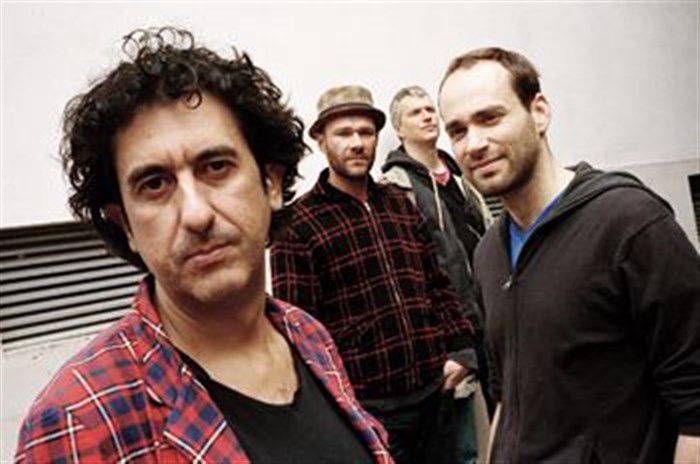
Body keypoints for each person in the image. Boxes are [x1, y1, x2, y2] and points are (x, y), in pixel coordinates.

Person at [14, 27, 392, 464]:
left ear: (270, 183)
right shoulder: (77, 421)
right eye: (155, 184)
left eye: (215, 167)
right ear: (126, 225)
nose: (196, 214)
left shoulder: (309, 335)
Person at [438, 46, 700, 463]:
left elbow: (695, 408)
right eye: (457, 131)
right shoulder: (488, 253)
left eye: (490, 118)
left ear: (539, 112)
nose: (474, 144)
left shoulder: (629, 223)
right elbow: (507, 397)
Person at [271, 84, 477, 464]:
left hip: (436, 393)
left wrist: (461, 348)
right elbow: (298, 331)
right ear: (321, 141)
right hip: (370, 411)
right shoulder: (299, 224)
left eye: (365, 132)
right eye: (344, 133)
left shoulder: (399, 203)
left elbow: (437, 282)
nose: (357, 143)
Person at [379, 85, 493, 460]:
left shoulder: (460, 174)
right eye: (416, 112)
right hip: (451, 334)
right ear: (399, 129)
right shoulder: (397, 186)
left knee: (507, 421)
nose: (428, 116)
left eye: (430, 109)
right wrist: (448, 343)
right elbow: (410, 271)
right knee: (462, 447)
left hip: (490, 316)